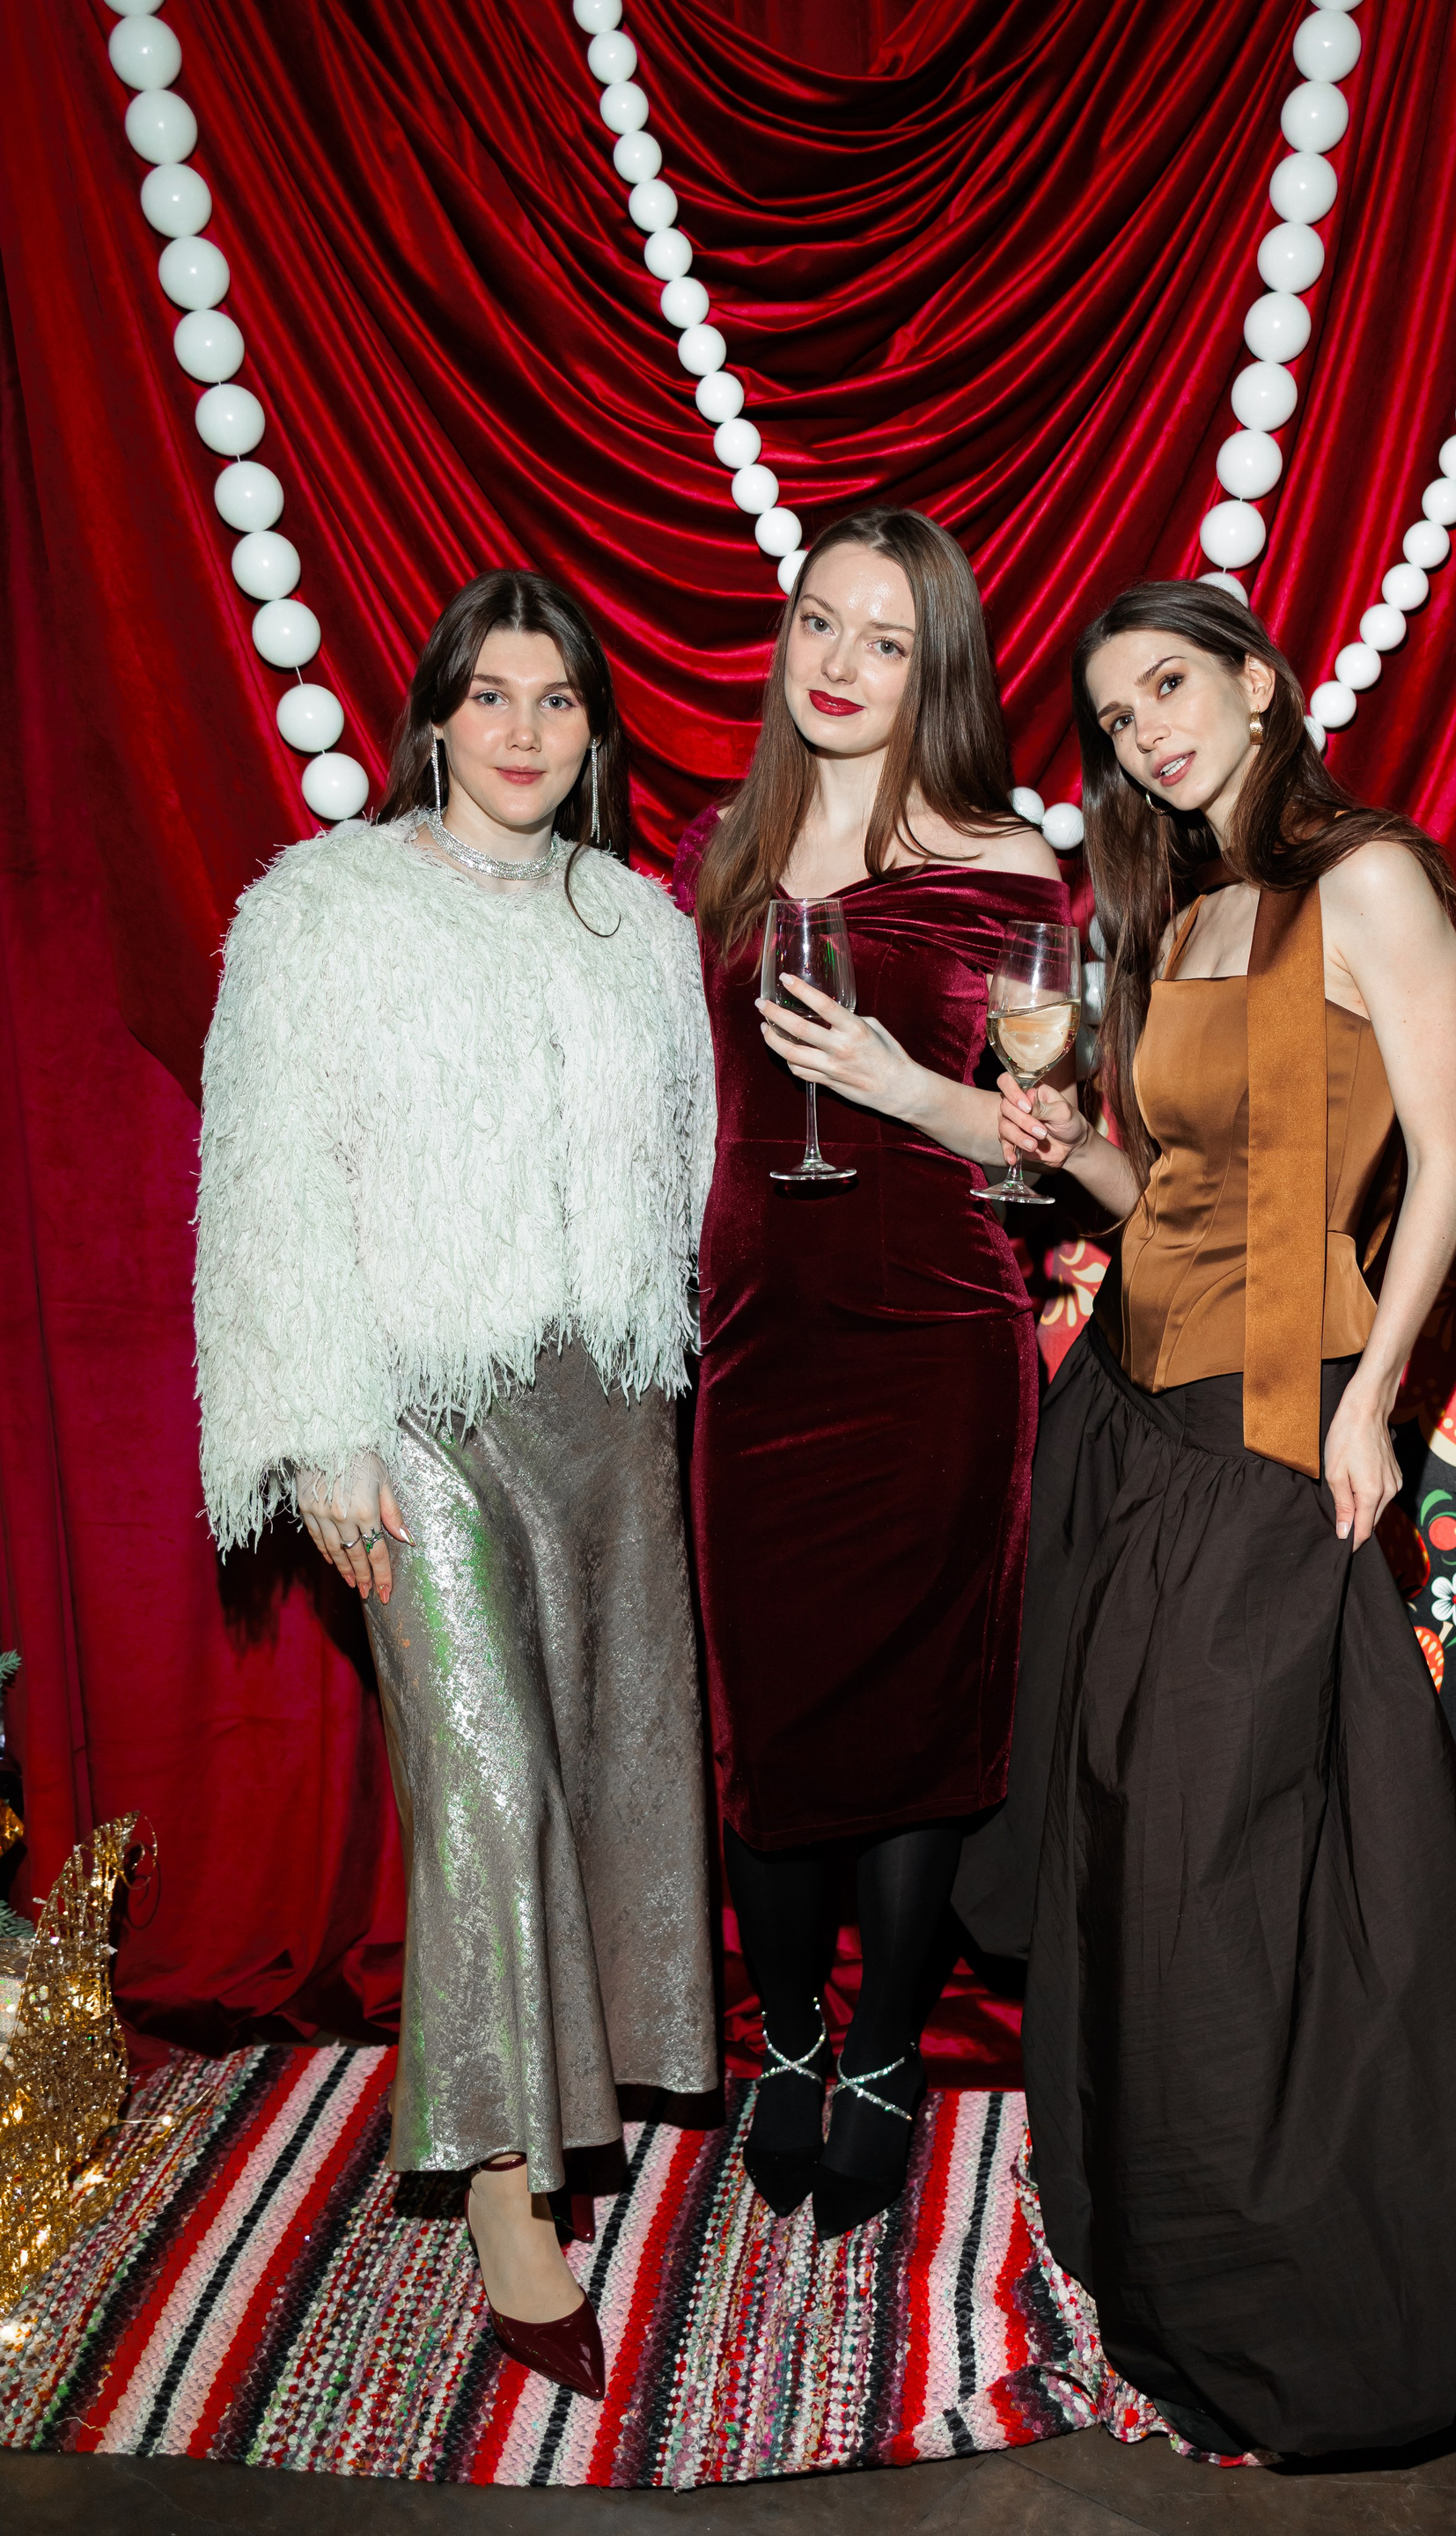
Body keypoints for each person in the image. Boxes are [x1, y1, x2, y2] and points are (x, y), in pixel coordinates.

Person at [961, 580, 1456, 2458]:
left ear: (1255, 681)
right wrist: (1078, 1154)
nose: (1147, 729)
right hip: (1135, 1409)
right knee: (1126, 1826)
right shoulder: (1183, 911)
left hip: (1280, 1415)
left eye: (1171, 684)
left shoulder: (1365, 877)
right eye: (1114, 714)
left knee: (1218, 1839)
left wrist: (1373, 1401)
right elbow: (1181, 1190)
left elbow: (1451, 1161)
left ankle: (1331, 2291)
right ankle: (1161, 2246)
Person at [195, 568, 717, 2398]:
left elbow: (690, 1168)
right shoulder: (324, 911)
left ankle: (580, 2097)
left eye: (556, 700)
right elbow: (269, 1175)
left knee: (605, 1768)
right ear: (433, 717)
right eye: (490, 694)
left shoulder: (638, 925)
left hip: (608, 1409)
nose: (521, 729)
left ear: (593, 734)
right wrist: (319, 1425)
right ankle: (508, 2195)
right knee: (486, 1788)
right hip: (417, 1410)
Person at [673, 508, 1067, 2237]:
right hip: (757, 1348)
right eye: (819, 623)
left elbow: (1045, 1147)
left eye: (886, 640)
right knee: (768, 1724)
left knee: (912, 1720)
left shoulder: (1007, 860)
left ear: (937, 669)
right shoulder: (723, 851)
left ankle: (888, 2055)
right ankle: (789, 2038)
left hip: (934, 1344)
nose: (839, 663)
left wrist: (904, 1088)